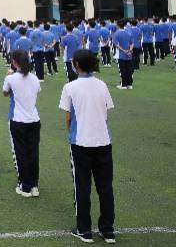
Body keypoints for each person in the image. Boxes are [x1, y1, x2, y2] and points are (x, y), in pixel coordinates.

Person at [59, 49, 115, 244]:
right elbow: (106, 111)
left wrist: (71, 133)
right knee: (105, 187)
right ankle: (108, 230)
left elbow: (68, 117)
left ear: (75, 65)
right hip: (103, 141)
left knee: (82, 187)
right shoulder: (102, 85)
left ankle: (84, 230)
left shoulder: (70, 87)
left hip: (81, 143)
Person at [3, 49, 41, 198]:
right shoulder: (34, 78)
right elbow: (37, 91)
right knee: (33, 153)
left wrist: (8, 76)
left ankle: (24, 186)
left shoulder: (11, 79)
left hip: (17, 119)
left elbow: (5, 93)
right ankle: (34, 185)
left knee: (20, 153)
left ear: (14, 62)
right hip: (33, 119)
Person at [112, 20, 134, 90]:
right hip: (128, 54)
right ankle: (129, 84)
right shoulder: (128, 32)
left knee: (122, 70)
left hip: (121, 55)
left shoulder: (116, 34)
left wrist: (124, 51)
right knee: (129, 69)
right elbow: (132, 43)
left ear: (118, 25)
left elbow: (117, 45)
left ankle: (123, 84)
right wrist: (129, 50)